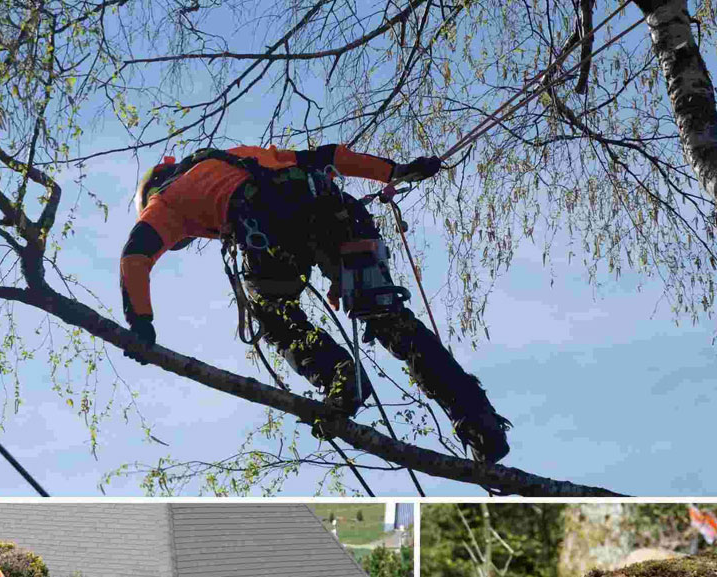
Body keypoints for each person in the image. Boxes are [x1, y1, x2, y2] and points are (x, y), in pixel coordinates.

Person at [120, 143, 512, 464]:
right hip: (334, 210)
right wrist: (396, 171)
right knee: (390, 320)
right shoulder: (242, 156)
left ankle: (342, 378)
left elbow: (134, 258)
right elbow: (330, 157)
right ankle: (480, 423)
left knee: (271, 313)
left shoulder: (165, 201)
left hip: (269, 225)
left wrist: (140, 324)